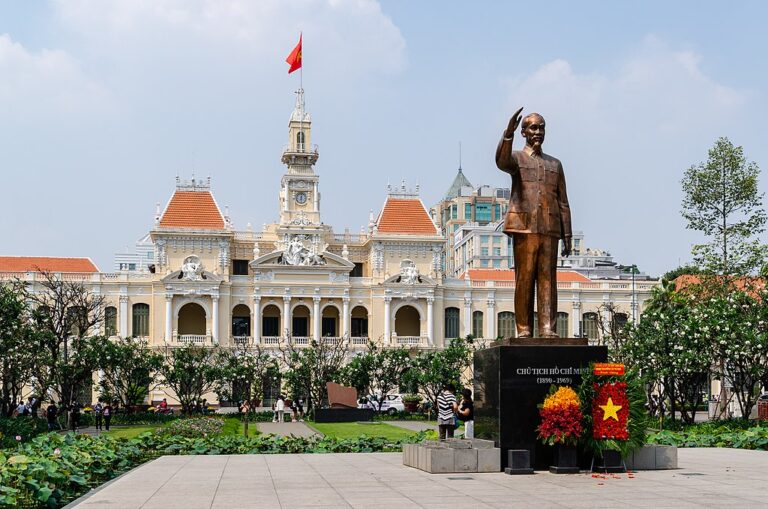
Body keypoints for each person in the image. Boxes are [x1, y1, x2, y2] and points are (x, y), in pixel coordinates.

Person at [496, 107, 572, 338]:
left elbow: (563, 201)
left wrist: (567, 235)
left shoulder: (554, 164)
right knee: (525, 279)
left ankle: (548, 328)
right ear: (524, 132)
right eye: (533, 128)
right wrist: (507, 133)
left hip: (549, 229)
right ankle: (524, 328)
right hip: (524, 227)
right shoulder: (517, 158)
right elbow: (501, 161)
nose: (538, 132)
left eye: (542, 127)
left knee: (549, 279)